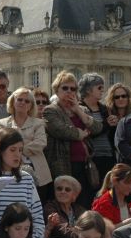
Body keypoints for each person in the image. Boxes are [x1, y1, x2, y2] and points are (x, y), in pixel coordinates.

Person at [43, 71, 101, 206]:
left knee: (84, 202)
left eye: (73, 89)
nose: (69, 91)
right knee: (64, 203)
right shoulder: (50, 110)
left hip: (84, 164)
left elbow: (97, 128)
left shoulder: (82, 110)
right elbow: (60, 130)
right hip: (63, 163)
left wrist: (78, 111)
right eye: (65, 88)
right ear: (57, 90)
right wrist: (80, 134)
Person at [0, 87, 51, 198]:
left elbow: (40, 143)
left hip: (37, 170)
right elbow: (0, 144)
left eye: (27, 101)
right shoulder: (2, 123)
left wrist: (15, 148)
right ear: (12, 102)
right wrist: (28, 142)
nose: (22, 103)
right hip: (10, 170)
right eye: (19, 99)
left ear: (31, 105)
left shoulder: (38, 123)